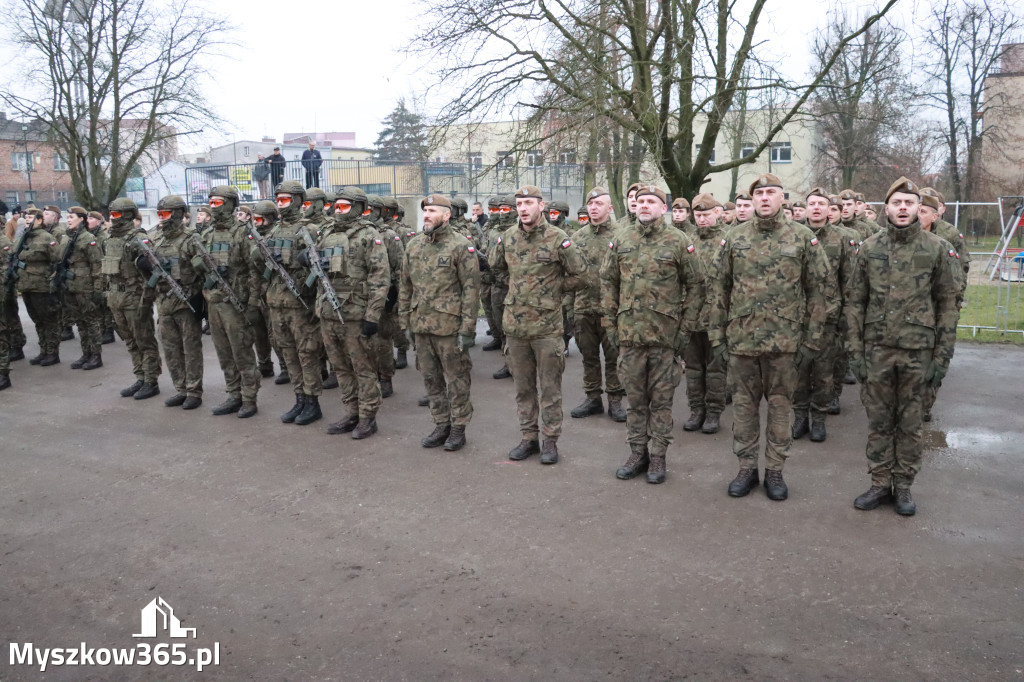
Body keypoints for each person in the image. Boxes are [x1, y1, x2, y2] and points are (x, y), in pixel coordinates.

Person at [708, 173, 832, 501]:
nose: (764, 198)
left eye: (770, 193)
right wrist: (717, 337)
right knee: (744, 408)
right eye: (758, 193)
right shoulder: (733, 238)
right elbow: (719, 288)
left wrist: (811, 340)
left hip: (785, 342)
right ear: (751, 200)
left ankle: (775, 470)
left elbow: (818, 291)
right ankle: (746, 467)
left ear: (782, 198)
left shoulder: (803, 237)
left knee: (779, 408)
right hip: (742, 341)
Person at [846, 177, 959, 516]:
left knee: (909, 424)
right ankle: (880, 483)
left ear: (918, 209)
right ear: (886, 208)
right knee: (879, 421)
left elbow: (947, 304)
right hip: (877, 351)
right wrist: (856, 353)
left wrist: (942, 357)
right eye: (897, 203)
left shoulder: (936, 248)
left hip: (918, 352)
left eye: (910, 203)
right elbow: (856, 303)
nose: (903, 208)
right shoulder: (870, 248)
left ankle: (905, 486)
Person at [602, 185, 705, 483]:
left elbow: (697, 285)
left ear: (664, 208)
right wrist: (610, 324)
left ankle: (658, 456)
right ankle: (637, 452)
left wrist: (684, 330)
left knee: (660, 402)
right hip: (629, 337)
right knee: (635, 401)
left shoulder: (678, 240)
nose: (645, 206)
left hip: (665, 339)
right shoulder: (621, 239)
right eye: (641, 201)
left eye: (652, 202)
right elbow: (608, 282)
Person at [490, 185, 586, 465]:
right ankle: (528, 438)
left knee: (550, 389)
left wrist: (553, 289)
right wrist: (519, 288)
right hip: (516, 328)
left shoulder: (558, 238)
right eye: (519, 203)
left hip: (547, 329)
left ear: (541, 206)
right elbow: (496, 269)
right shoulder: (507, 237)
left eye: (529, 203)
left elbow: (581, 276)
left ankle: (550, 440)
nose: (523, 208)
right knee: (523, 388)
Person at [400, 194, 480, 450]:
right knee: (431, 379)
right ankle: (441, 423)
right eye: (425, 210)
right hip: (421, 325)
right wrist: (406, 323)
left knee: (457, 380)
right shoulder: (413, 246)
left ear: (447, 215)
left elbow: (471, 290)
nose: (426, 214)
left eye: (432, 210)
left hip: (449, 328)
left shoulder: (460, 246)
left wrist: (468, 329)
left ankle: (458, 427)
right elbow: (405, 287)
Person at [313, 187, 389, 439]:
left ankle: (368, 417)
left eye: (344, 206)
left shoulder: (369, 235)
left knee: (363, 368)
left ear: (358, 207)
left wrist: (372, 316)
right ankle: (351, 412)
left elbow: (380, 279)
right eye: (336, 205)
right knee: (341, 367)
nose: (338, 210)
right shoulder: (326, 233)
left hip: (356, 315)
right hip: (329, 312)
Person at [791, 187, 856, 443]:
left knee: (824, 373)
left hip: (829, 319)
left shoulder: (842, 239)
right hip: (797, 318)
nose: (816, 208)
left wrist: (844, 318)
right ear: (805, 208)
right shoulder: (793, 236)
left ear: (830, 210)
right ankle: (799, 419)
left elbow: (850, 281)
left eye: (821, 204)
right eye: (812, 203)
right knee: (798, 373)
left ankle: (818, 419)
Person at [194, 186, 259, 418]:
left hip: (235, 302)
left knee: (241, 352)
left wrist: (252, 304)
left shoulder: (243, 232)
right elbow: (197, 263)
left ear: (230, 204)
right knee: (223, 352)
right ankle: (233, 394)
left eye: (218, 202)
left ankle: (249, 398)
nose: (213, 206)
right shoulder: (207, 233)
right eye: (210, 202)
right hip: (214, 301)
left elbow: (255, 270)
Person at [266, 180, 324, 424]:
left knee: (307, 354)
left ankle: (312, 402)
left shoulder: (309, 229)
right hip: (277, 303)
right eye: (278, 200)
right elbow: (256, 260)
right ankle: (299, 398)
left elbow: (321, 269)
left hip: (300, 303)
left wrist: (305, 260)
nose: (281, 204)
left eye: (285, 200)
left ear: (299, 201)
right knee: (288, 353)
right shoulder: (274, 230)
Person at [569, 187, 626, 422]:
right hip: (583, 307)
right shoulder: (577, 237)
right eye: (590, 204)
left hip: (610, 309)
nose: (594, 208)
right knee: (589, 356)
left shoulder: (621, 235)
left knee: (613, 357)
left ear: (609, 208)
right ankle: (593, 398)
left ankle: (615, 400)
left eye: (599, 204)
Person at [145, 195, 204, 411]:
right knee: (170, 348)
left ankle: (193, 391)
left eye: (166, 214)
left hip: (186, 301)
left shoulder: (191, 238)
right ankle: (180, 388)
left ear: (178, 214)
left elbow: (203, 271)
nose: (162, 218)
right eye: (159, 214)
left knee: (190, 349)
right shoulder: (156, 238)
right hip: (164, 301)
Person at [104, 198, 162, 398]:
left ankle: (151, 380)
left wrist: (147, 298)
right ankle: (140, 377)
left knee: (144, 340)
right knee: (129, 341)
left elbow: (153, 270)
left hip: (134, 297)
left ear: (128, 215)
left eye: (117, 214)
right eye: (111, 214)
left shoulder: (138, 238)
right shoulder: (109, 239)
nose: (112, 218)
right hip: (115, 297)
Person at [683, 194, 728, 434]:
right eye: (698, 215)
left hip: (717, 318)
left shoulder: (728, 239)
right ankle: (696, 410)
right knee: (693, 368)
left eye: (706, 214)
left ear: (717, 213)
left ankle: (713, 413)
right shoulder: (686, 240)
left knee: (716, 369)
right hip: (691, 316)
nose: (701, 219)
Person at [59, 206, 105, 371]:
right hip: (70, 286)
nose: (68, 220)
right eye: (68, 217)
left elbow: (97, 266)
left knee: (91, 321)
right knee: (80, 322)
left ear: (81, 219)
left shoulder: (88, 239)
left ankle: (96, 355)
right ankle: (86, 353)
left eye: (72, 217)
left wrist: (98, 289)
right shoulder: (66, 238)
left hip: (86, 287)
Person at [15, 209, 63, 366]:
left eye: (30, 217)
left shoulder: (47, 238)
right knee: (38, 320)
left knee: (48, 320)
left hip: (41, 285)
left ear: (40, 220)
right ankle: (43, 350)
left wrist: (53, 282)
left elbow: (58, 260)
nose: (27, 219)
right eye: (26, 217)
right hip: (26, 284)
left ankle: (52, 352)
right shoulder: (25, 237)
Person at [247, 200, 288, 382]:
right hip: (255, 291)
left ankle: (285, 366)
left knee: (275, 333)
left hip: (272, 291)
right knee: (258, 332)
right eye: (254, 219)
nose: (256, 222)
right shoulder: (251, 236)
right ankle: (264, 364)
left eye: (260, 219)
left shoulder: (275, 236)